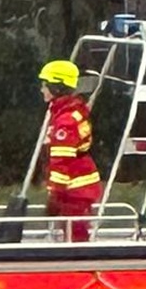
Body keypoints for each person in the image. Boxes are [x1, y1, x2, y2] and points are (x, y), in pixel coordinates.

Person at [39, 59, 101, 241]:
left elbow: (61, 162)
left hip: (75, 189)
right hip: (78, 186)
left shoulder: (65, 121)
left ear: (56, 87)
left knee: (75, 237)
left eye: (45, 85)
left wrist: (55, 195)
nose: (42, 89)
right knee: (73, 232)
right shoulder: (70, 112)